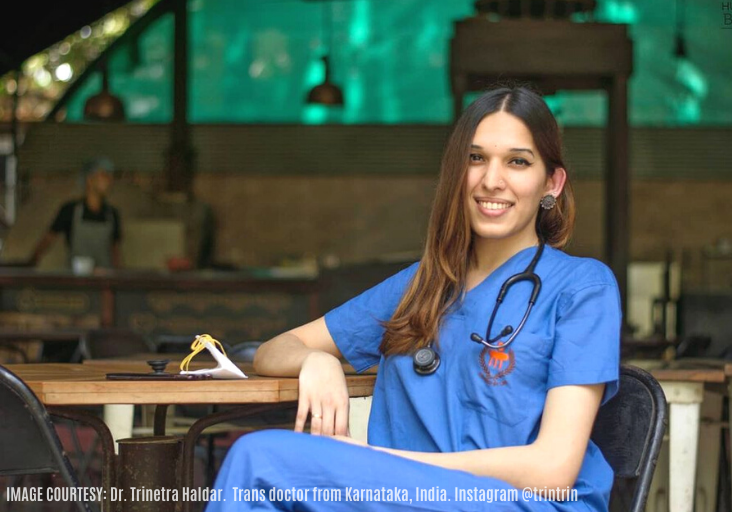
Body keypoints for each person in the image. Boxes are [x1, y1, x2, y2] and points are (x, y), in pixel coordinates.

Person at [207, 87, 621, 512]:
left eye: (518, 161)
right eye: (475, 158)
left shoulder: (583, 287)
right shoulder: (424, 284)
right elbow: (274, 351)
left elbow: (552, 470)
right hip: (412, 498)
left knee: (259, 459)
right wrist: (318, 360)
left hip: (523, 503)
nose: (491, 179)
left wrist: (376, 463)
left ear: (551, 182)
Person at [30, 158, 122, 269]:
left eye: (111, 176)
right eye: (104, 175)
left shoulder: (112, 214)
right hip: (76, 281)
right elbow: (47, 240)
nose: (110, 180)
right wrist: (30, 263)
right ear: (89, 179)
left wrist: (119, 277)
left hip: (104, 282)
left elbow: (115, 251)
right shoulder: (70, 210)